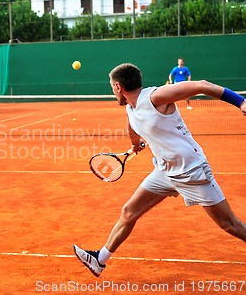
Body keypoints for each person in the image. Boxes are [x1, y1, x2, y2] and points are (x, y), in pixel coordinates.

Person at [73, 63, 246, 277]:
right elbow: (132, 127)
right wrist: (135, 145)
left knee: (229, 224)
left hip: (192, 172)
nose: (112, 91)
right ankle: (100, 260)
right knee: (129, 211)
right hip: (164, 172)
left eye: (111, 87)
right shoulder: (130, 108)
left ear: (118, 86)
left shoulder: (155, 97)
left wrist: (241, 101)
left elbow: (201, 85)